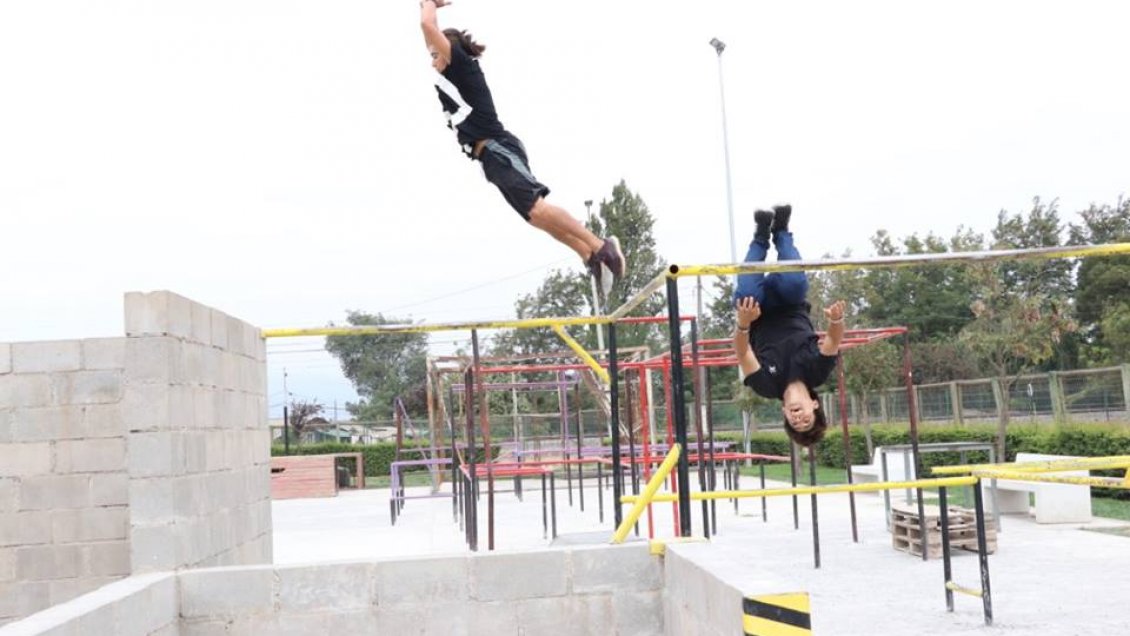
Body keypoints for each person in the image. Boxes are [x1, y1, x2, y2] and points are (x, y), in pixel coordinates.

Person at [419, 0, 626, 298]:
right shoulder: (451, 72)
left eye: (435, 55)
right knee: (536, 217)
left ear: (450, 53)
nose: (432, 61)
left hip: (498, 149)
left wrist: (428, 4)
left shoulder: (460, 65)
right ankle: (590, 257)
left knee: (538, 207)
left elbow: (428, 27)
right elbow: (428, 32)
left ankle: (601, 246)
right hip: (489, 157)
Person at [732, 204, 846, 447]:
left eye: (795, 423)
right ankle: (781, 231)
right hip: (789, 302)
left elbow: (742, 352)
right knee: (796, 281)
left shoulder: (766, 386)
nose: (798, 418)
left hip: (757, 312)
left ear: (784, 414)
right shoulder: (817, 372)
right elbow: (833, 341)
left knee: (746, 296)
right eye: (806, 420)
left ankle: (761, 236)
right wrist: (836, 320)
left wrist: (743, 323)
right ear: (815, 405)